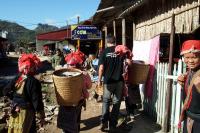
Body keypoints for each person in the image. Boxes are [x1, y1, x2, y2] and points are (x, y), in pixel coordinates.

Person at [3, 53, 45, 133]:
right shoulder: (34, 82)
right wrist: (41, 117)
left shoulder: (18, 78)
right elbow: (36, 101)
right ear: (33, 68)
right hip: (27, 112)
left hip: (14, 110)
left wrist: (14, 98)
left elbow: (5, 91)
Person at [57, 50, 92, 133]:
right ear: (79, 63)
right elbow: (89, 86)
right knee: (76, 119)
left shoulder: (62, 72)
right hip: (77, 101)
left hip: (64, 100)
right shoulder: (83, 74)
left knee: (65, 119)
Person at [98, 35, 125, 132]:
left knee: (106, 101)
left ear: (107, 42)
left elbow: (101, 68)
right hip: (119, 81)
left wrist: (99, 80)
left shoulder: (104, 52)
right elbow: (128, 63)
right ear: (115, 42)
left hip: (108, 81)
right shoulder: (121, 50)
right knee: (116, 102)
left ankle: (103, 122)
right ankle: (113, 125)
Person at [177, 40, 200, 133]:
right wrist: (183, 84)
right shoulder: (190, 72)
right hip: (189, 118)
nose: (190, 61)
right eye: (187, 57)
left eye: (194, 57)